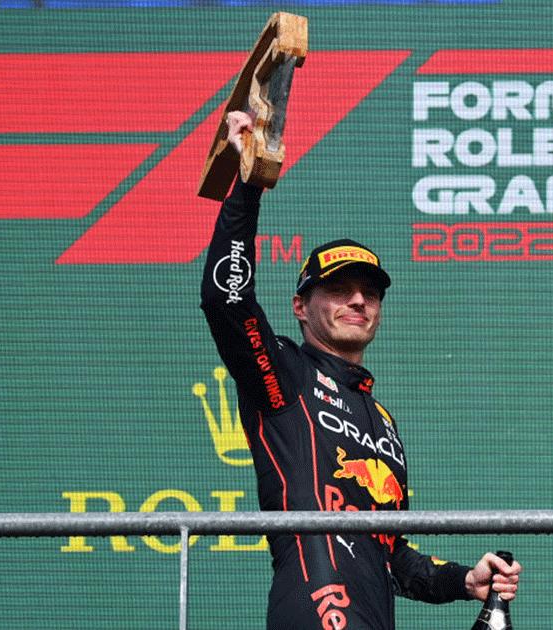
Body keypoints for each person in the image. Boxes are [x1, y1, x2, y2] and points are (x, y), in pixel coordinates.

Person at [200, 111, 521, 630]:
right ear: (301, 307)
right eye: (338, 290)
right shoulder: (285, 373)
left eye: (369, 293)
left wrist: (466, 580)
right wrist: (248, 185)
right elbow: (227, 301)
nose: (357, 300)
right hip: (313, 605)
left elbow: (395, 559)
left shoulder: (383, 423)